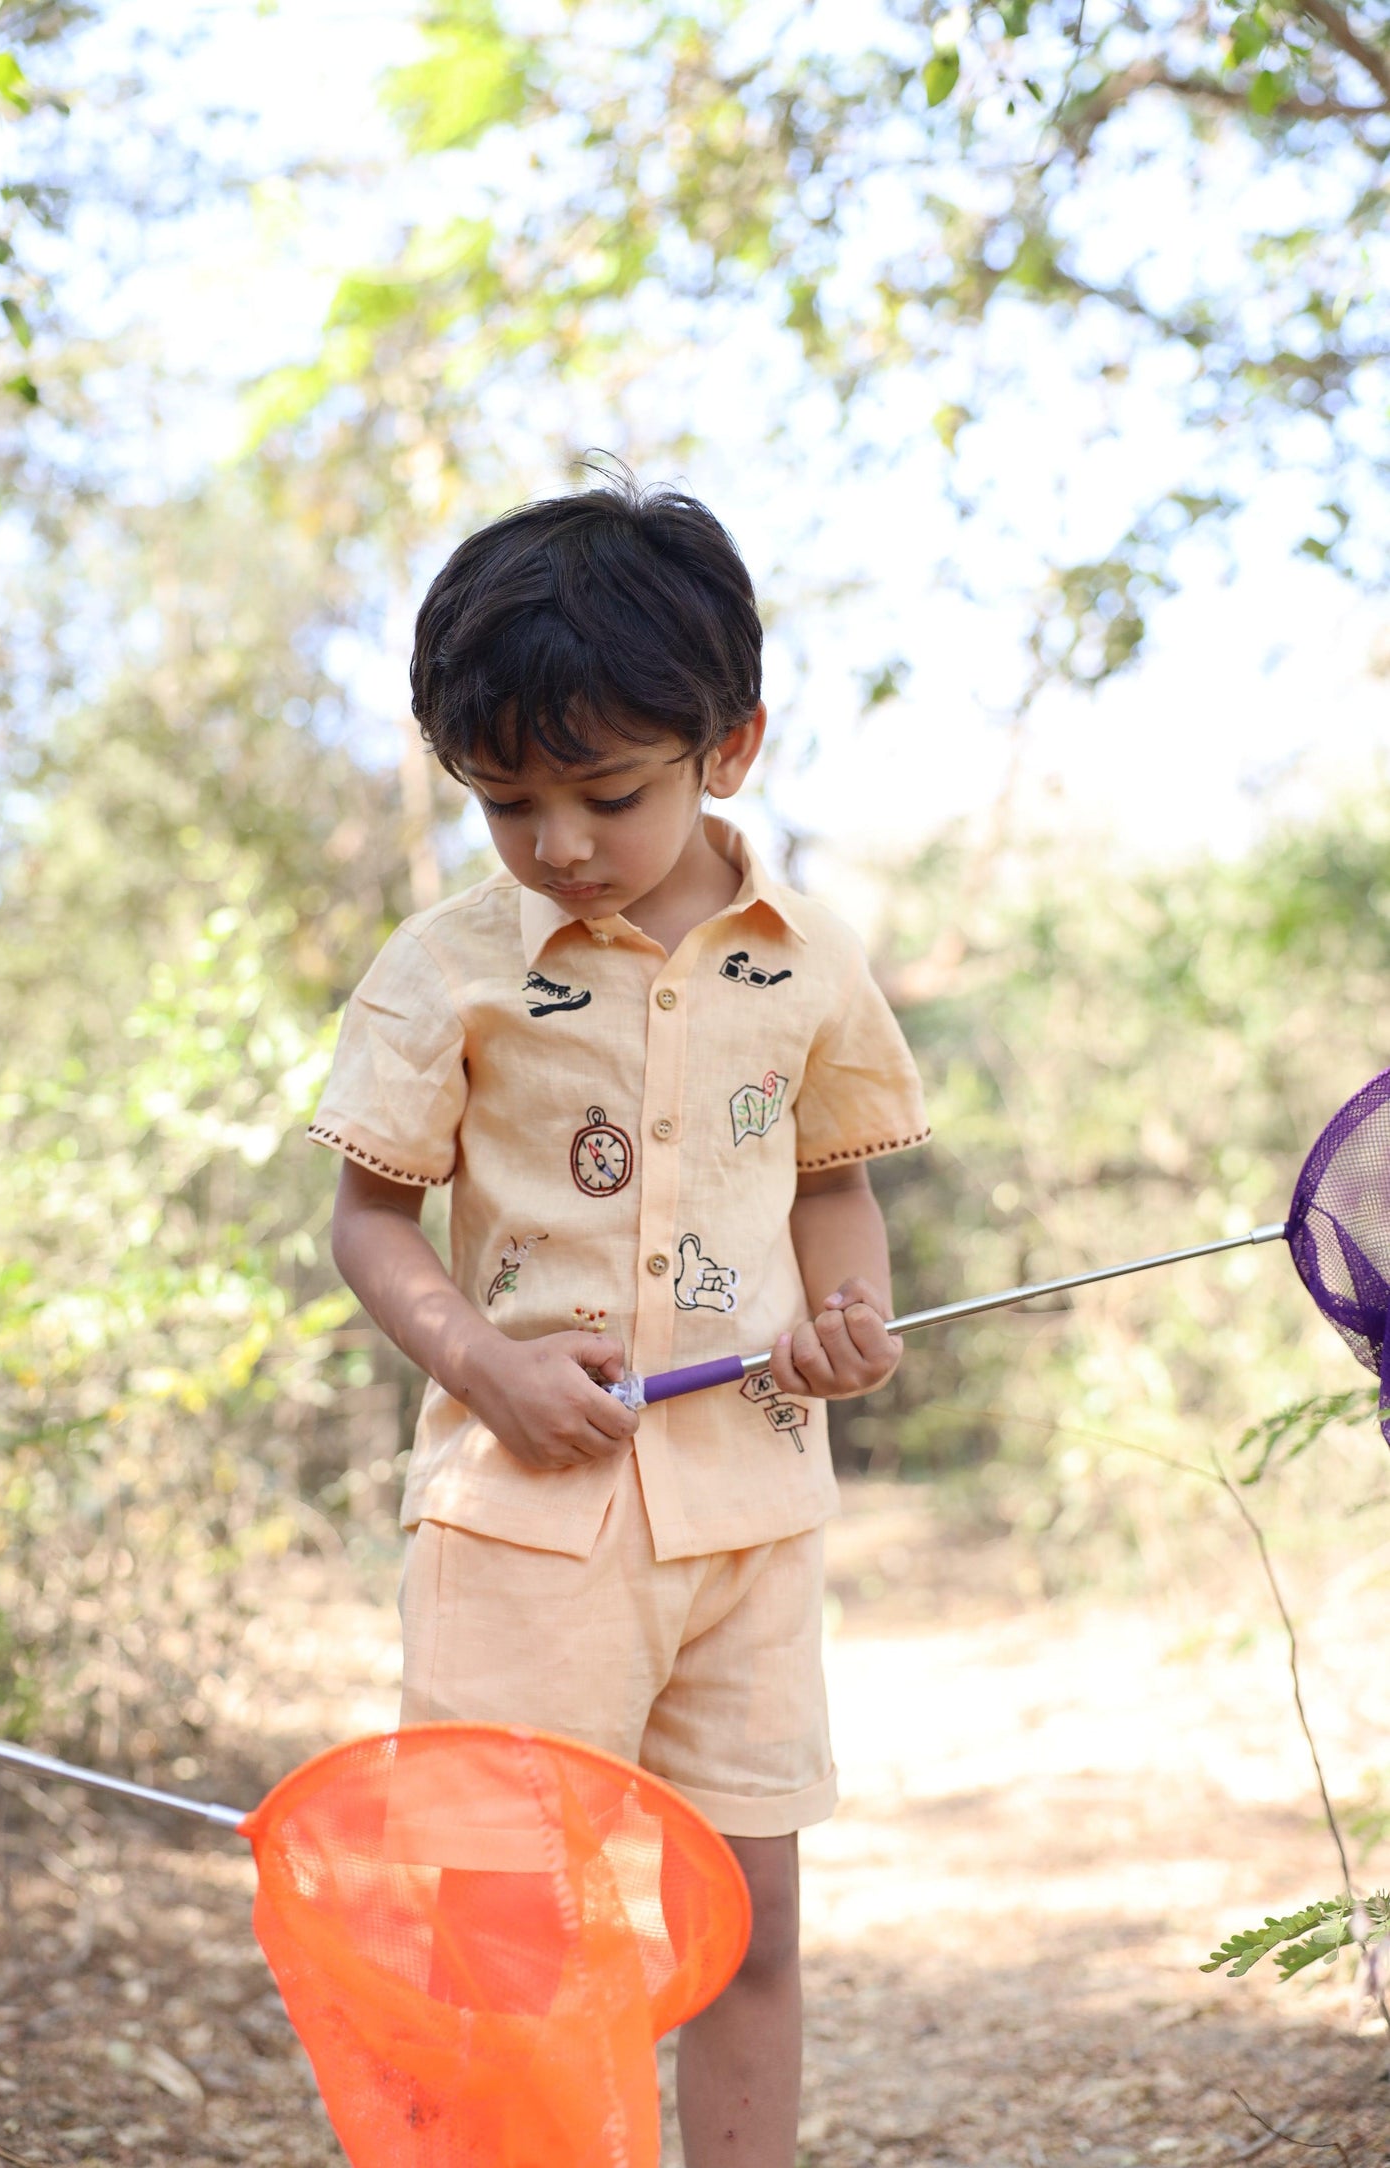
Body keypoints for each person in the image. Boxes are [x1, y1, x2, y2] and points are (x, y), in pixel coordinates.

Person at [309, 469, 928, 2167]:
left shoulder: (810, 958)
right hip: (522, 1538)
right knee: (507, 1953)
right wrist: (479, 1361)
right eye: (508, 802)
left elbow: (830, 1185)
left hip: (750, 1519)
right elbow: (370, 1216)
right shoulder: (448, 965)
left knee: (742, 1935)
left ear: (727, 745)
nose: (559, 842)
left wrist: (848, 1313)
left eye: (603, 791)